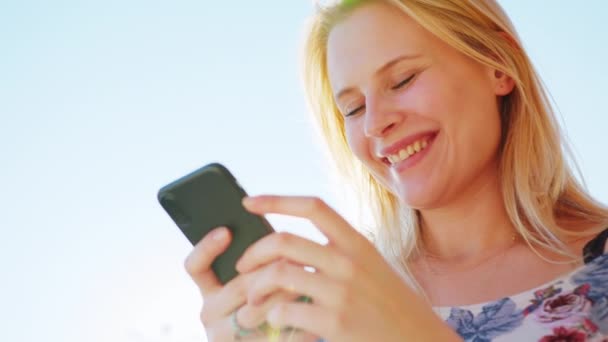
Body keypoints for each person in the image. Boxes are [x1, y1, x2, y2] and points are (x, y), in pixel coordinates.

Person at [184, 0, 608, 341]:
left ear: (497, 63)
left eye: (402, 79)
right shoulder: (331, 303)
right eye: (352, 108)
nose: (374, 124)